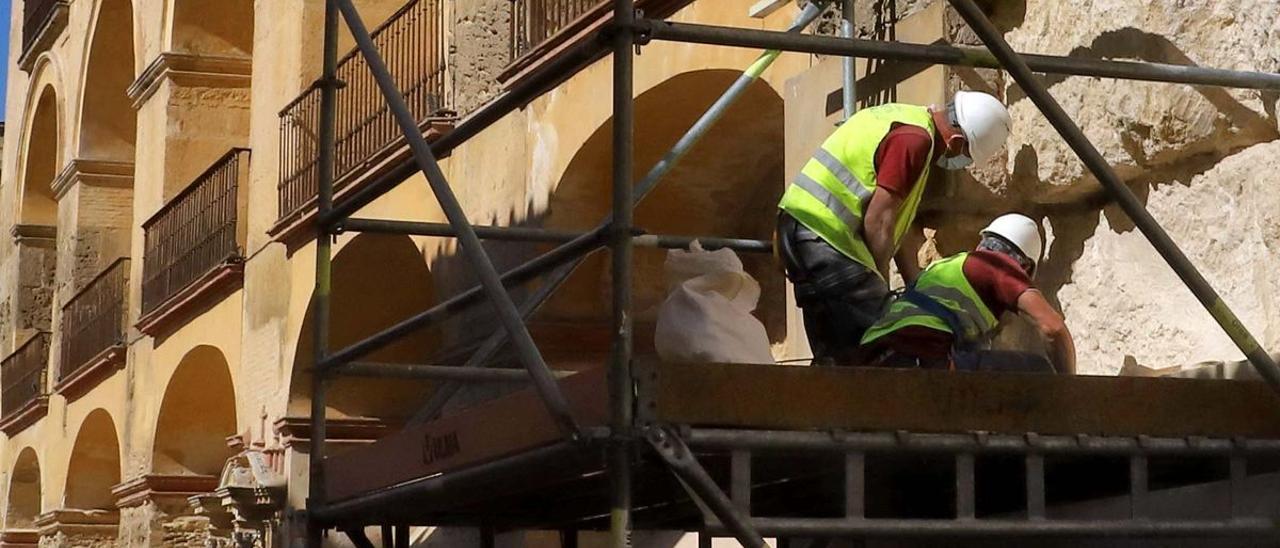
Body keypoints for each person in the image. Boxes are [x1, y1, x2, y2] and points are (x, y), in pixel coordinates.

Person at [777, 91, 1012, 365]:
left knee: (840, 356)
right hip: (824, 239)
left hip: (803, 232)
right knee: (884, 341)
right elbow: (879, 220)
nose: (960, 163)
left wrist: (917, 287)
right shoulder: (915, 141)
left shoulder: (905, 121)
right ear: (956, 140)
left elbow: (899, 226)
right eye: (966, 156)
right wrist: (881, 284)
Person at [860, 213, 1077, 374]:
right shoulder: (998, 265)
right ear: (1025, 267)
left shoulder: (945, 267)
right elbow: (1053, 328)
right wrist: (1070, 389)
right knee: (1038, 369)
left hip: (873, 356)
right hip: (920, 357)